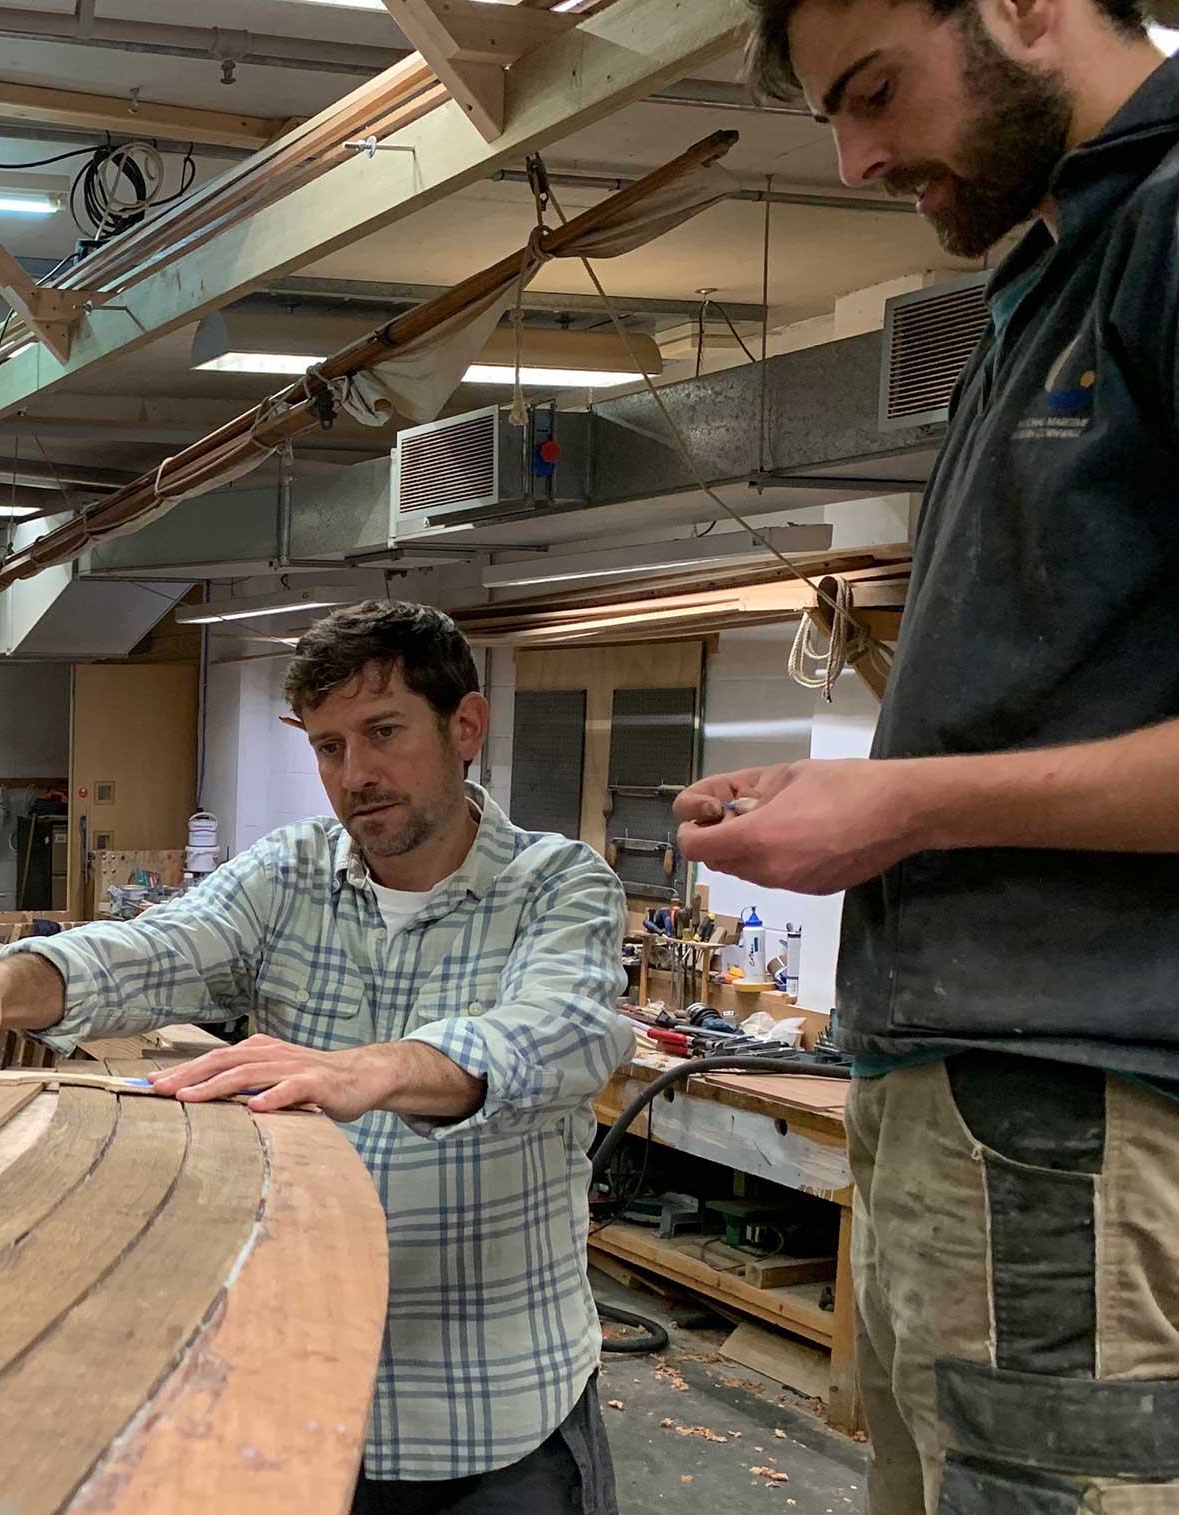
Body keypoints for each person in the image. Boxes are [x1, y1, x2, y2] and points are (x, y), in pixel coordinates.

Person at [676, 0, 1179, 1509]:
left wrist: (899, 804)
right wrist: (857, 799)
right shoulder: (1048, 280)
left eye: (876, 91)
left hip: (1070, 1095)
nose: (852, 158)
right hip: (958, 1088)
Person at [0, 601, 631, 1515]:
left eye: (382, 732)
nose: (355, 774)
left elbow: (563, 1035)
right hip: (294, 1399)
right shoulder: (290, 872)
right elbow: (156, 947)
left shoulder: (560, 883)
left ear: (465, 726)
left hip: (489, 1422)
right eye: (327, 746)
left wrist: (373, 1069)